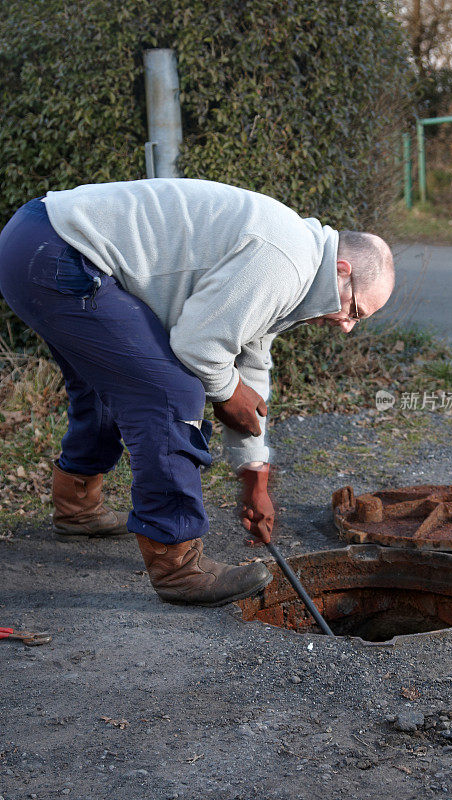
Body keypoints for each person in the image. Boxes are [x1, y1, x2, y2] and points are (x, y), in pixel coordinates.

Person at [0, 179, 394, 607]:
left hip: (33, 238)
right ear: (342, 270)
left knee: (114, 380)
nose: (347, 325)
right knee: (172, 392)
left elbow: (251, 364)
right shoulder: (287, 262)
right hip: (58, 250)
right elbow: (198, 347)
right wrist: (226, 394)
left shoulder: (297, 264)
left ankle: (77, 506)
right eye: (354, 310)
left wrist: (254, 477)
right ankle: (178, 566)